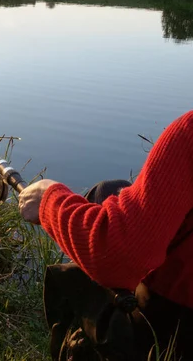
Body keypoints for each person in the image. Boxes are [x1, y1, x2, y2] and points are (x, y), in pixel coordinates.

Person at [18, 110, 193, 360]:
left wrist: (49, 201)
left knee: (79, 283)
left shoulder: (189, 133)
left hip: (171, 334)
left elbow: (117, 255)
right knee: (106, 191)